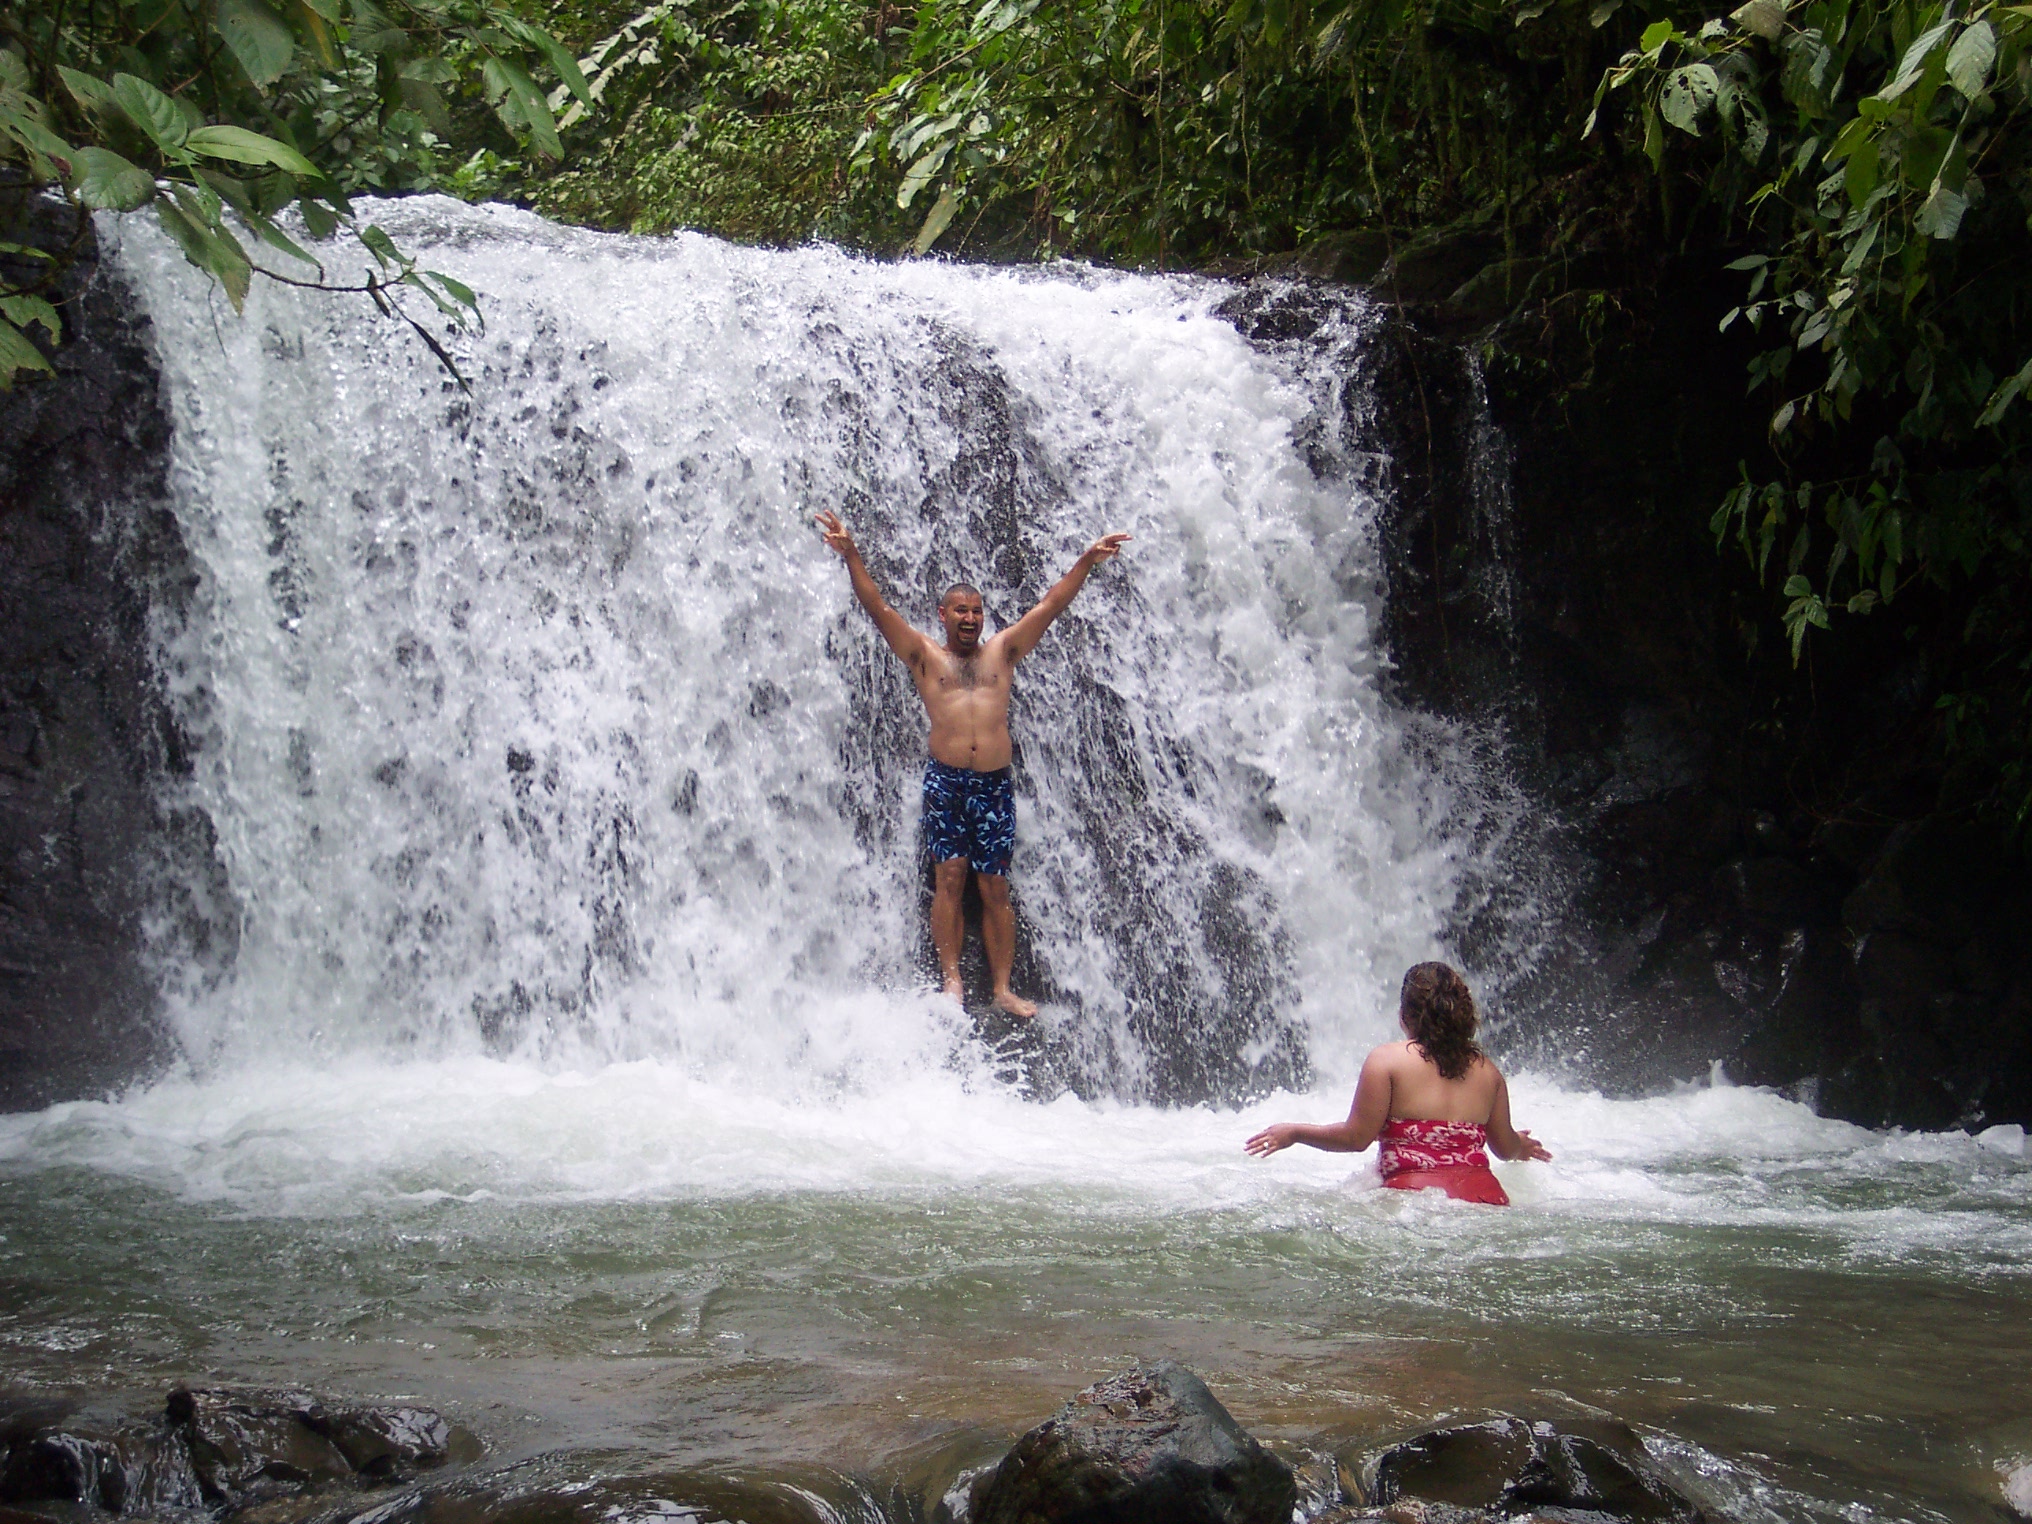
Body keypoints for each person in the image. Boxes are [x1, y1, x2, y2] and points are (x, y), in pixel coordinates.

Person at [815, 510, 1131, 1017]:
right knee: (950, 879)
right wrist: (851, 555)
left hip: (993, 786)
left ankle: (1002, 988)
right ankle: (952, 982)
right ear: (943, 615)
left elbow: (1051, 604)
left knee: (994, 885)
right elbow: (877, 608)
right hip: (945, 783)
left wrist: (1087, 561)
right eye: (960, 610)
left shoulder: (1003, 652)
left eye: (977, 611)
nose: (969, 618)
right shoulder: (923, 656)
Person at [1243, 961, 1550, 1204]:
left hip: (1414, 1203)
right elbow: (1504, 1147)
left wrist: (1295, 1132)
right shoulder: (1488, 1072)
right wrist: (1521, 1146)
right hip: (1487, 1200)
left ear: (1404, 1016)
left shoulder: (1386, 1061)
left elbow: (1356, 1138)